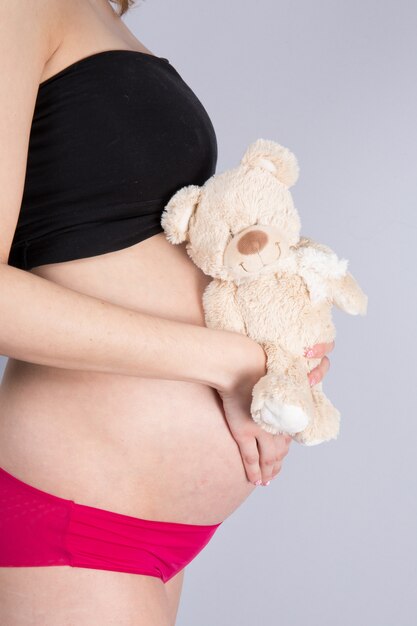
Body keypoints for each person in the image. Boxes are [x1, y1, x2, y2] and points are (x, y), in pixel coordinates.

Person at [0, 1, 334, 624]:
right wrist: (229, 360)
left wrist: (274, 340)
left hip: (136, 518)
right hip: (79, 512)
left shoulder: (98, 14)